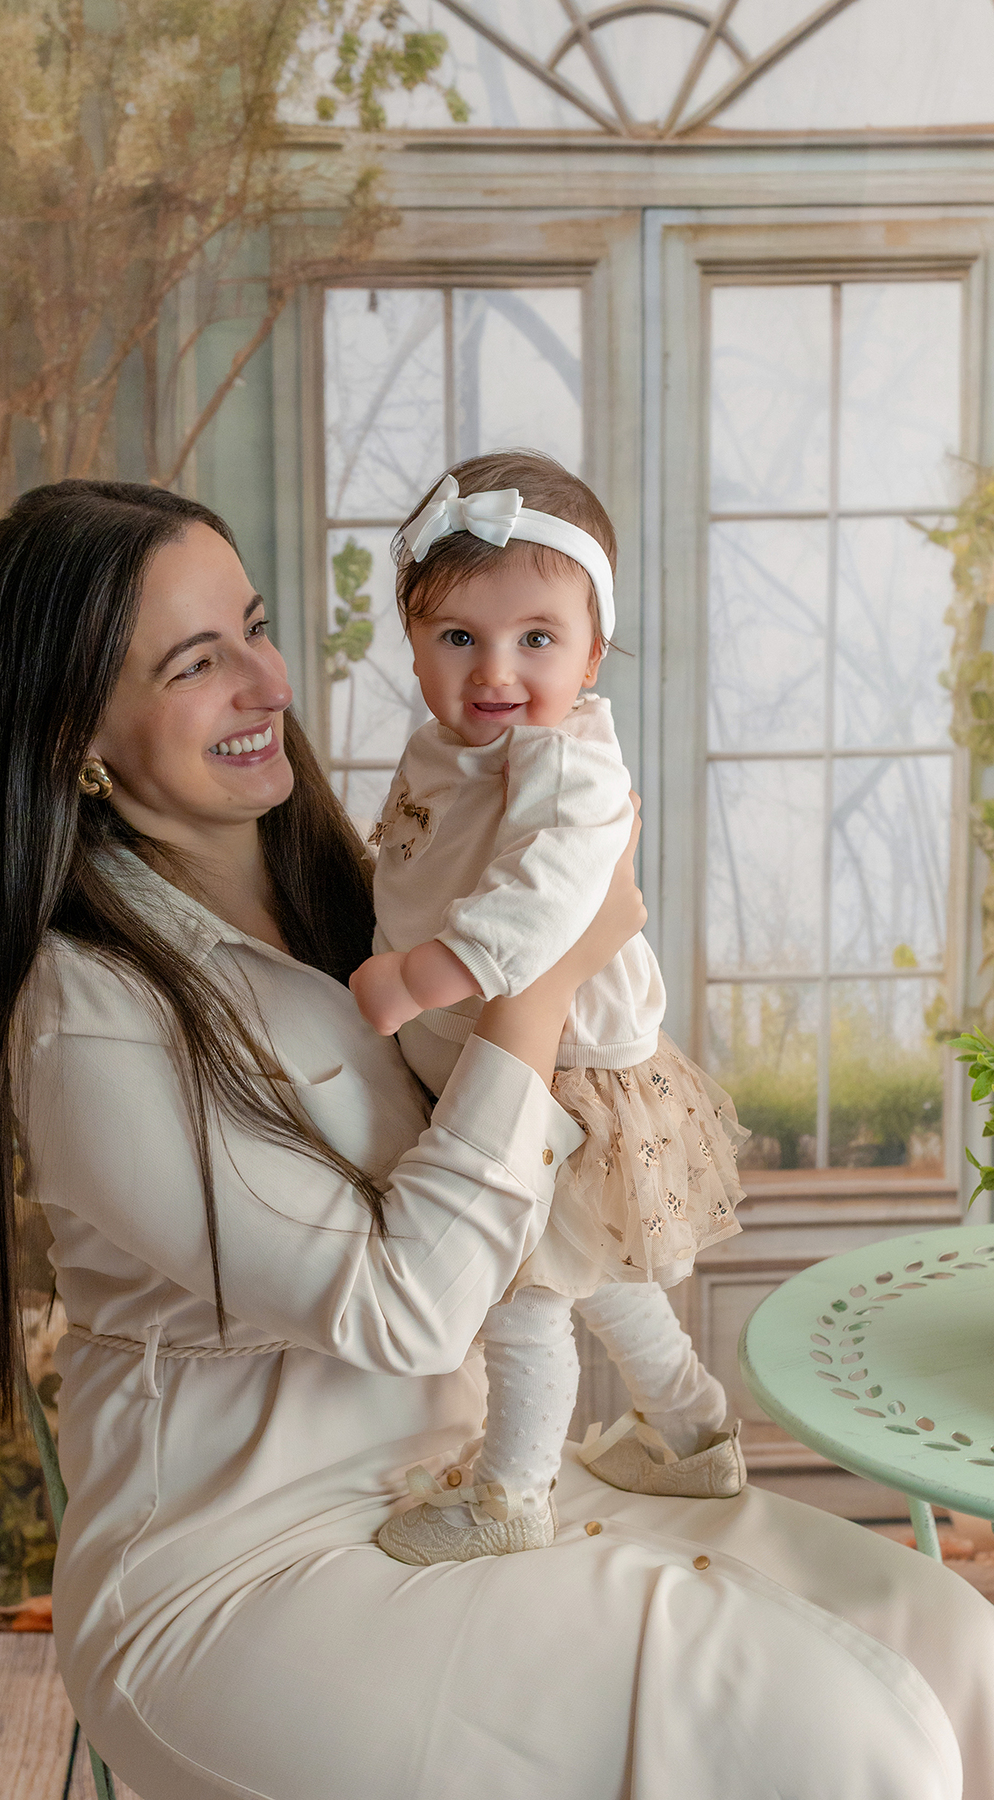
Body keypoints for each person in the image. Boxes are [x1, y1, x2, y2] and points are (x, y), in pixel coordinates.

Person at [0, 478, 994, 1800]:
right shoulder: (90, 1020)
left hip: (476, 1483)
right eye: (197, 663)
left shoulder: (359, 886)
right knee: (855, 1741)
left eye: (253, 629)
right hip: (242, 1567)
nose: (266, 681)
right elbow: (413, 1312)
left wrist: (559, 964)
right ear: (73, 733)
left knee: (964, 1650)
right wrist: (544, 981)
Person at [349, 451, 746, 1567]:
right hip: (507, 1054)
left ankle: (511, 1490)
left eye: (538, 639)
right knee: (604, 1274)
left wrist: (416, 980)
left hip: (558, 1070)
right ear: (417, 640)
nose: (496, 672)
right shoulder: (452, 743)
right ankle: (696, 1432)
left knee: (522, 1292)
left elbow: (548, 902)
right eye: (457, 637)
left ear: (592, 648)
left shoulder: (568, 762)